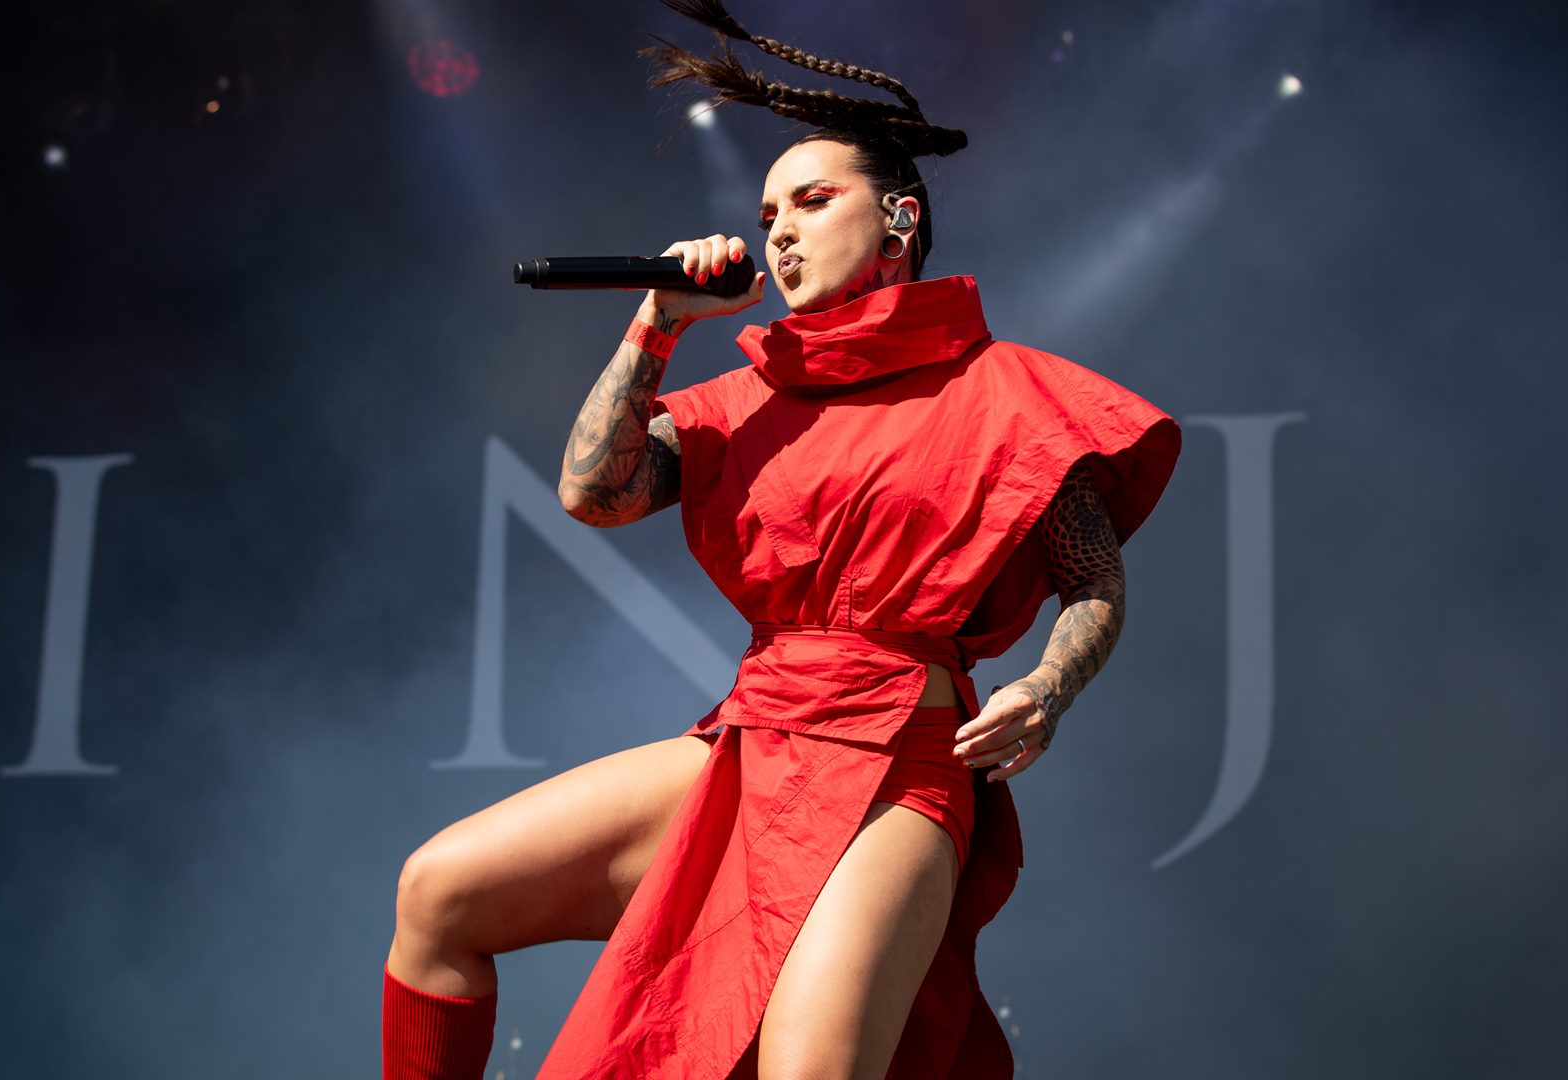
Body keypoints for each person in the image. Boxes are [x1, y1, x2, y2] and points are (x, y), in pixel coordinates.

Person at [382, 3, 1181, 1077]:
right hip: (757, 738)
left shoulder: (1014, 394)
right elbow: (594, 493)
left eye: (812, 200)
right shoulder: (749, 393)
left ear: (897, 219)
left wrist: (1049, 685)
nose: (781, 233)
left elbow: (1095, 581)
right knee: (440, 890)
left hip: (902, 762)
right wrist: (657, 325)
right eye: (767, 215)